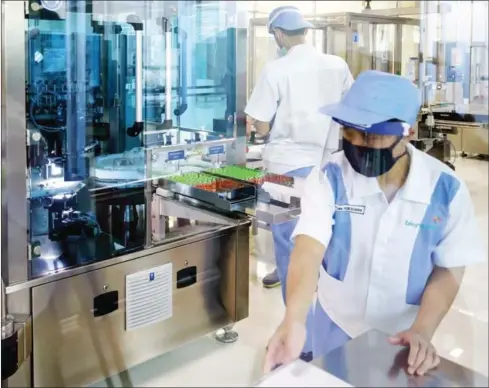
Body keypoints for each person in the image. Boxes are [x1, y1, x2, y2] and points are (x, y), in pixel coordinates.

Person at [264, 70, 485, 376]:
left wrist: (422, 329)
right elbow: (308, 248)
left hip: (404, 332)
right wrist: (294, 318)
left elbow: (449, 266)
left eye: (374, 135)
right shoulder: (330, 176)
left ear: (407, 132)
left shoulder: (445, 190)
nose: (359, 143)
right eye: (350, 132)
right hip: (335, 320)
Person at [245, 5, 353, 362]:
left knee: (291, 245)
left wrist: (267, 129)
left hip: (285, 171)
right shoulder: (336, 65)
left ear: (277, 35)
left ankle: (300, 338)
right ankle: (328, 328)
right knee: (324, 244)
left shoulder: (277, 69)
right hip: (327, 166)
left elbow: (259, 123)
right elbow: (350, 110)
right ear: (304, 32)